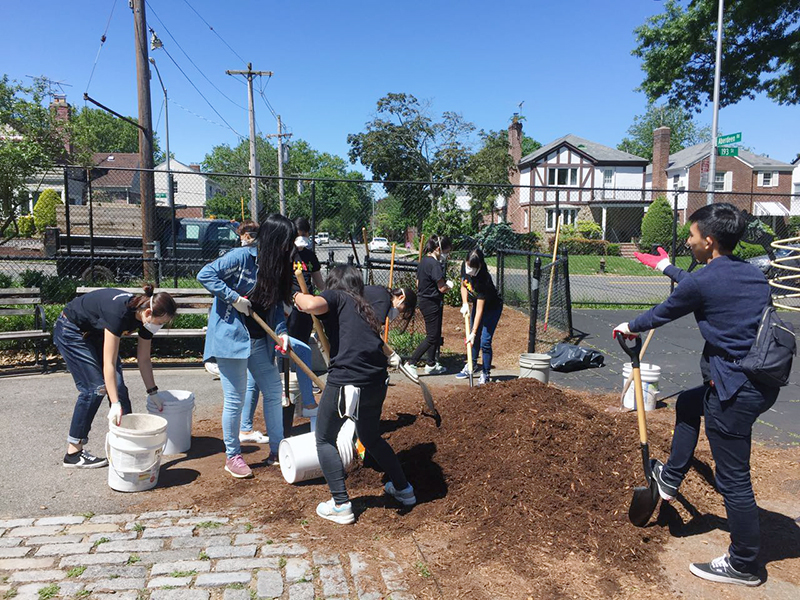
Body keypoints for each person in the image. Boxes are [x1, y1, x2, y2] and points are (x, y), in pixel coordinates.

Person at [616, 203, 779, 587]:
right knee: (689, 404)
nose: (688, 242)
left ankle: (744, 564)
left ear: (708, 242)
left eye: (691, 237)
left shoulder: (703, 281)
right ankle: (670, 479)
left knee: (735, 479)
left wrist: (628, 326)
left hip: (734, 389)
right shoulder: (752, 274)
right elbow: (702, 284)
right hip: (761, 382)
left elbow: (665, 310)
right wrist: (663, 266)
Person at [293, 265, 413, 525]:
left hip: (347, 379)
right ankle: (404, 489)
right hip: (376, 381)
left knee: (324, 438)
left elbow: (312, 304)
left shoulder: (338, 297)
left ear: (334, 286)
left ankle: (340, 504)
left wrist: (296, 296)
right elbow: (374, 342)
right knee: (370, 437)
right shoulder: (365, 308)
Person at [198, 213, 296, 478]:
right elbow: (205, 274)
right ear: (275, 240)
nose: (290, 248)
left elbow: (275, 309)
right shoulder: (242, 258)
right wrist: (233, 298)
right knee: (235, 399)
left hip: (260, 341)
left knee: (274, 392)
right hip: (231, 338)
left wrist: (282, 332)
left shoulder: (276, 267)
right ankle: (233, 456)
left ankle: (277, 449)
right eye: (286, 242)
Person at [54, 285, 177, 468]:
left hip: (94, 331)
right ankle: (74, 452)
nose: (158, 327)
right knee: (94, 389)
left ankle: (127, 446)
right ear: (148, 312)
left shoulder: (146, 318)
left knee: (118, 389)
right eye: (159, 323)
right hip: (71, 330)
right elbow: (109, 364)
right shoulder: (118, 314)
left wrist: (153, 392)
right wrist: (115, 404)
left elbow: (143, 359)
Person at [239, 217, 321, 442]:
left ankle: (246, 427)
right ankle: (309, 404)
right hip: (259, 330)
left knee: (260, 375)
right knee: (297, 355)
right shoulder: (259, 259)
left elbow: (278, 298)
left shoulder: (284, 258)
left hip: (275, 324)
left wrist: (282, 325)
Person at [204, 220, 260, 379]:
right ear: (246, 236)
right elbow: (205, 275)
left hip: (246, 329)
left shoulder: (255, 259)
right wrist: (234, 298)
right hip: (227, 324)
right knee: (234, 394)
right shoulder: (238, 255)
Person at [455, 247, 503, 385]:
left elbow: (481, 310)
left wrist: (474, 332)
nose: (469, 269)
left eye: (472, 267)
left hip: (492, 308)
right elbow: (463, 285)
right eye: (468, 265)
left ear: (479, 266)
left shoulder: (484, 280)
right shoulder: (466, 266)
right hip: (478, 304)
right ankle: (472, 365)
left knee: (484, 341)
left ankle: (486, 373)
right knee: (473, 339)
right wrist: (464, 303)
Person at [408, 235, 453, 375]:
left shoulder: (423, 262)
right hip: (431, 302)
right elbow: (442, 288)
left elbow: (417, 283)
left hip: (424, 300)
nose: (448, 254)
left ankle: (431, 364)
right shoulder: (434, 265)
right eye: (447, 251)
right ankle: (411, 363)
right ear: (438, 249)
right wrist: (450, 285)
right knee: (432, 336)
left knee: (435, 333)